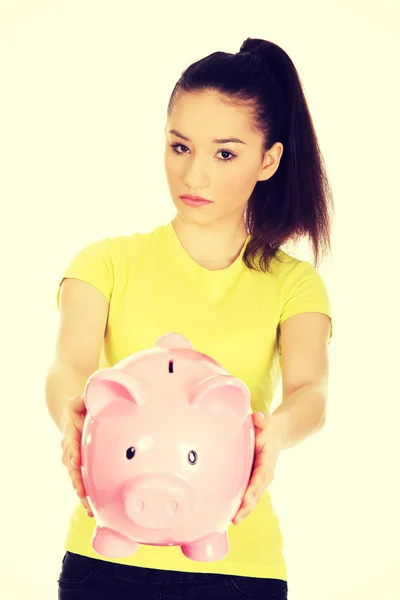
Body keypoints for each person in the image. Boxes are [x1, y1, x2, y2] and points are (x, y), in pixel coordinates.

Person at [46, 37, 334, 600]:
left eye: (224, 153)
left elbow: (311, 392)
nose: (194, 175)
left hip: (237, 565)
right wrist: (69, 417)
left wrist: (273, 434)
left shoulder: (294, 284)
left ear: (268, 160)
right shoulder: (104, 263)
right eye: (180, 147)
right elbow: (68, 366)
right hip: (103, 557)